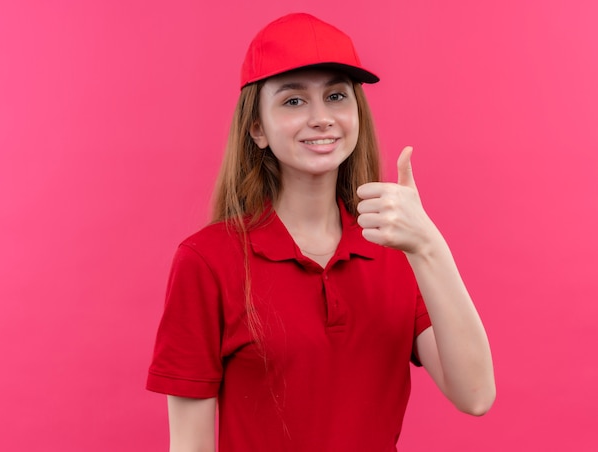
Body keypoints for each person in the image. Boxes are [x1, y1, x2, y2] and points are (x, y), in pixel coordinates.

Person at [147, 12, 495, 452]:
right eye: (293, 101)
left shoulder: (399, 251)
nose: (321, 118)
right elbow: (190, 445)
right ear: (256, 128)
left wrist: (429, 245)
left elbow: (476, 395)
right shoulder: (206, 260)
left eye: (336, 96)